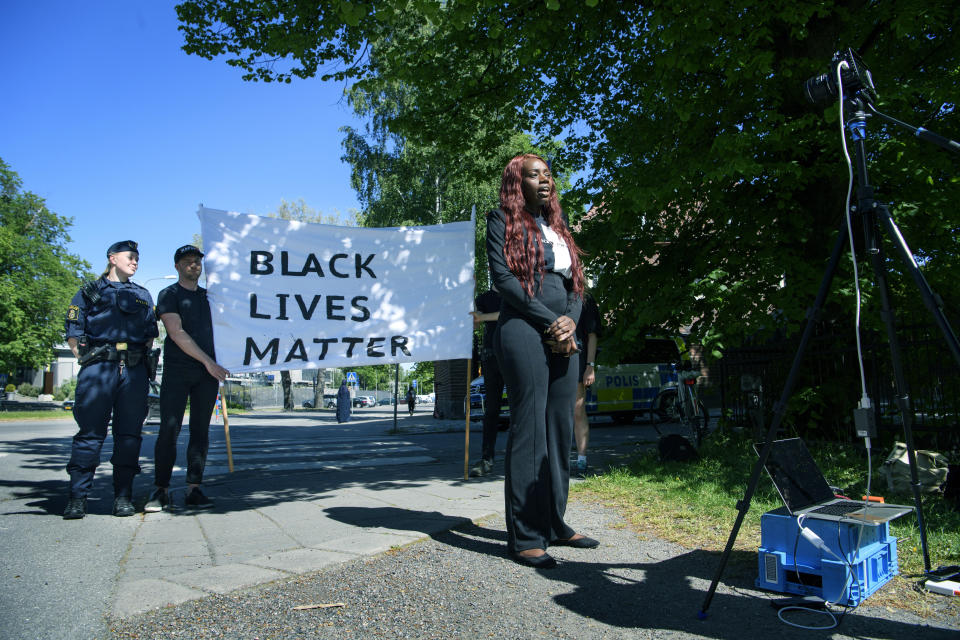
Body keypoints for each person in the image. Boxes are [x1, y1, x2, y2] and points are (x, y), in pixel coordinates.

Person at [487, 153, 599, 568]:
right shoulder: (501, 221)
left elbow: (577, 283)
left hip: (563, 332)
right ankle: (526, 536)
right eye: (535, 175)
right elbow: (505, 281)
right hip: (523, 330)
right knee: (530, 429)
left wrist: (571, 318)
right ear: (519, 183)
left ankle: (555, 523)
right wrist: (553, 322)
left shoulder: (558, 225)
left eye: (548, 174)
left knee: (558, 430)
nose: (545, 181)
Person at [63, 240, 159, 519]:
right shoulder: (90, 291)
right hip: (99, 369)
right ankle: (78, 498)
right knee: (89, 435)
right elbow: (73, 329)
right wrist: (84, 357)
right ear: (112, 258)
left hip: (134, 370)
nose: (135, 261)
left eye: (138, 258)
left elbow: (151, 332)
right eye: (130, 257)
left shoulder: (143, 294)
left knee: (129, 436)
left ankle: (123, 497)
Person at [145, 245, 230, 513]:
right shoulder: (168, 294)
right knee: (170, 430)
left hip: (207, 376)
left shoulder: (210, 297)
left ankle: (194, 488)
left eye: (197, 262)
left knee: (200, 432)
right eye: (188, 262)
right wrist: (208, 362)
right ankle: (162, 489)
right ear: (177, 266)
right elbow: (176, 332)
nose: (194, 265)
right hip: (179, 371)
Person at [468, 288, 504, 477]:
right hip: (491, 357)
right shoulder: (485, 298)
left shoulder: (515, 291)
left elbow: (509, 313)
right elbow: (473, 322)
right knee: (491, 410)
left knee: (521, 406)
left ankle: (524, 456)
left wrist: (483, 317)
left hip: (514, 354)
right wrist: (470, 289)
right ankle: (486, 459)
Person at [573, 292, 601, 475]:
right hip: (552, 359)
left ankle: (581, 459)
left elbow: (592, 334)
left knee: (577, 410)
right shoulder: (547, 289)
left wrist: (590, 366)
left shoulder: (585, 298)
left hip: (577, 360)